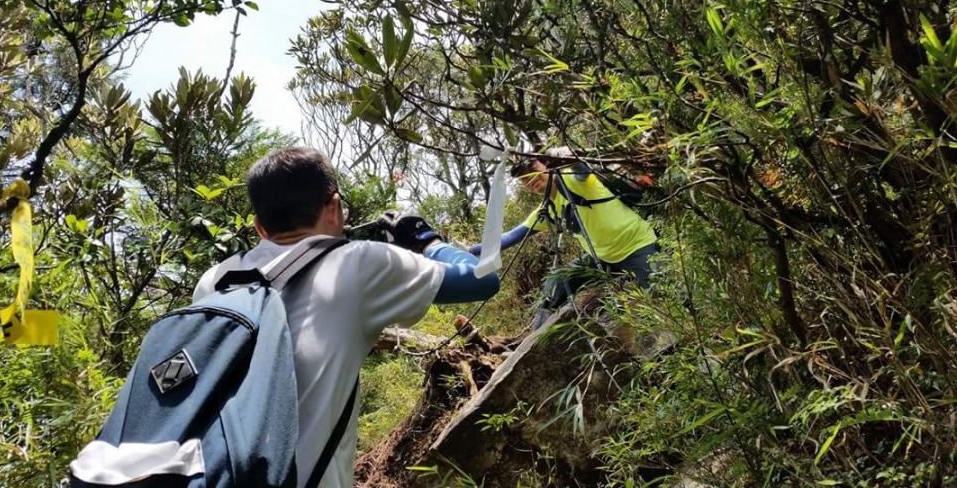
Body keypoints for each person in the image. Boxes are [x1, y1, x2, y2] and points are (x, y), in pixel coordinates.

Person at [192, 146, 500, 488]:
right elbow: (484, 278)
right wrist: (424, 239)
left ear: (260, 227)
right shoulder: (359, 262)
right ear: (335, 207)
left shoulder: (214, 279)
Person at [470, 153, 659, 328]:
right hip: (602, 258)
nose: (531, 179)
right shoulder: (547, 209)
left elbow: (581, 171)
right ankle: (536, 340)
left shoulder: (572, 179)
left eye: (533, 170)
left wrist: (563, 155)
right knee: (557, 282)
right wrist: (471, 250)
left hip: (637, 245)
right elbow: (512, 236)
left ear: (546, 165)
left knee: (660, 295)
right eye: (525, 179)